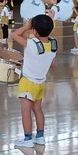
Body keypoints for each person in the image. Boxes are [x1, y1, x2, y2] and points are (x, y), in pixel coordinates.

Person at [11, 14, 58, 147]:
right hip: (41, 82)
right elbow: (52, 64)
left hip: (28, 82)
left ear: (35, 31)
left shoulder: (32, 44)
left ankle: (27, 139)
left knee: (26, 111)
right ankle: (40, 137)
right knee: (38, 109)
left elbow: (14, 35)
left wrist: (26, 26)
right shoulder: (53, 44)